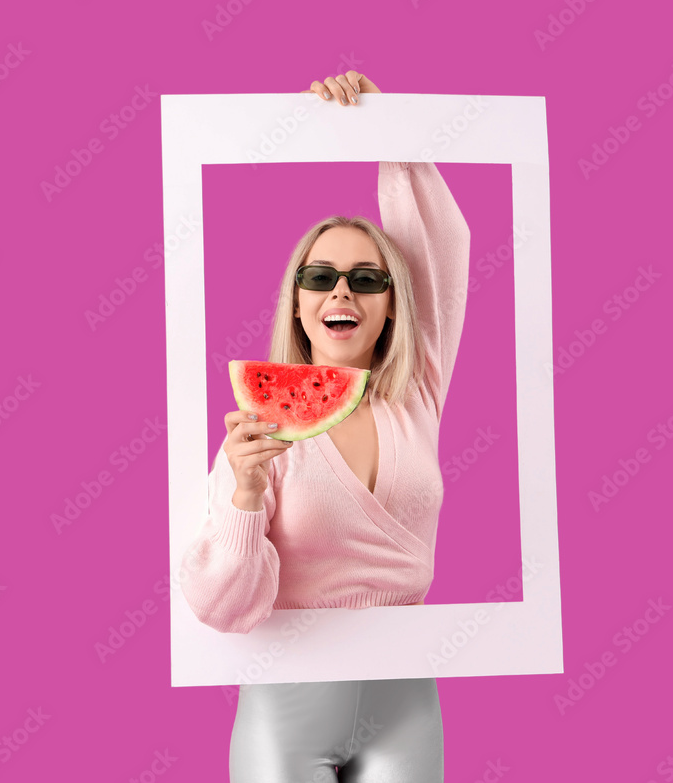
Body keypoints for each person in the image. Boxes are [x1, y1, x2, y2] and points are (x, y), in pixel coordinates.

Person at [180, 71, 471, 782]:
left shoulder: (419, 394)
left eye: (368, 279)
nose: (343, 289)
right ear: (300, 304)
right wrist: (245, 495)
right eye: (321, 277)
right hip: (288, 703)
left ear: (394, 307)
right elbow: (225, 607)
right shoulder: (260, 434)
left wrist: (384, 127)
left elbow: (442, 245)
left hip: (405, 695)